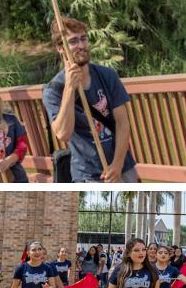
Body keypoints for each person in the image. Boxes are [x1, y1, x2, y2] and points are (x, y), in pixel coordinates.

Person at [42, 16, 138, 183]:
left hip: (122, 167)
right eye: (73, 41)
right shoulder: (53, 90)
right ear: (60, 48)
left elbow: (123, 123)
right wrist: (70, 88)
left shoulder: (107, 76)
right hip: (88, 175)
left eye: (83, 39)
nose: (81, 46)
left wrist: (117, 164)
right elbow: (63, 134)